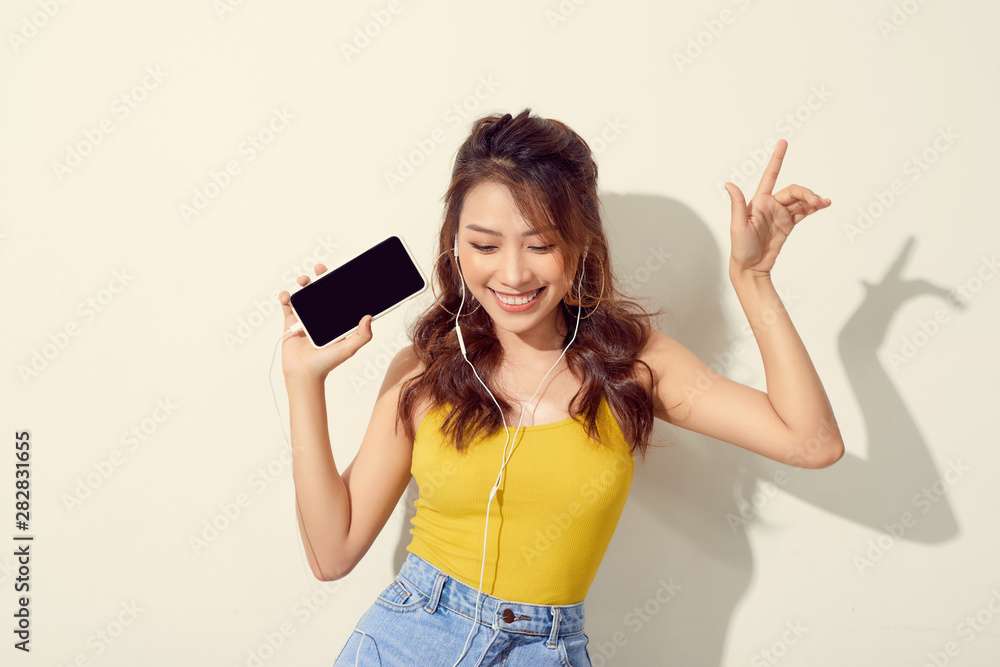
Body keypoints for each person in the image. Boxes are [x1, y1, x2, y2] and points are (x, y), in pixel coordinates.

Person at [277, 108, 844, 666]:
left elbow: (812, 443)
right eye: (485, 245)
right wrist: (304, 381)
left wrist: (753, 279)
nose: (514, 274)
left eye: (541, 244)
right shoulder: (424, 371)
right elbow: (332, 553)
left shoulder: (634, 366)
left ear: (580, 245)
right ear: (454, 245)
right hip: (407, 638)